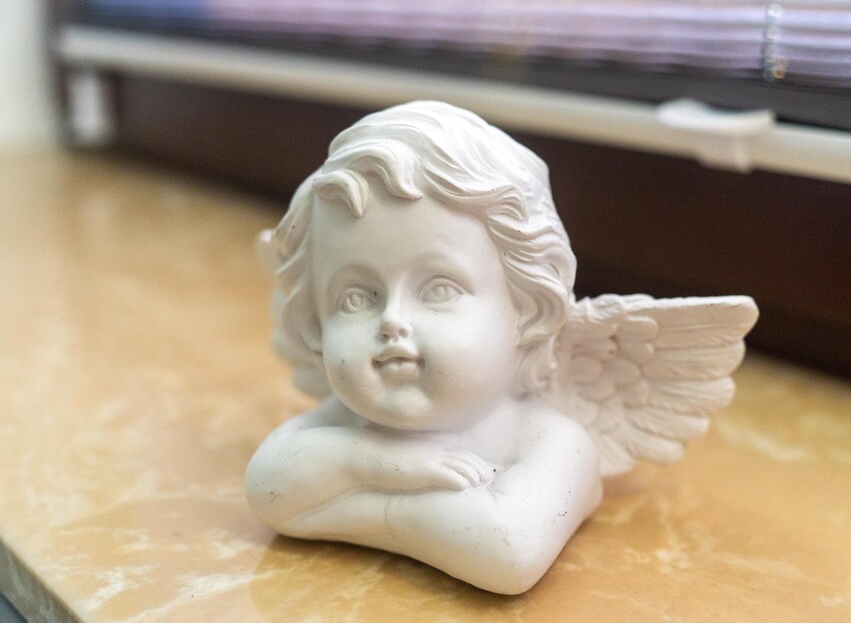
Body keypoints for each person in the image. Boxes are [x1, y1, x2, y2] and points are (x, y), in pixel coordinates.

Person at [245, 101, 603, 595]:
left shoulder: (556, 441)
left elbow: (508, 553)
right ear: (316, 325)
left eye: (438, 289)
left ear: (528, 308)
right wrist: (383, 464)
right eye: (355, 298)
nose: (391, 321)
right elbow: (267, 489)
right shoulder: (352, 420)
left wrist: (351, 504)